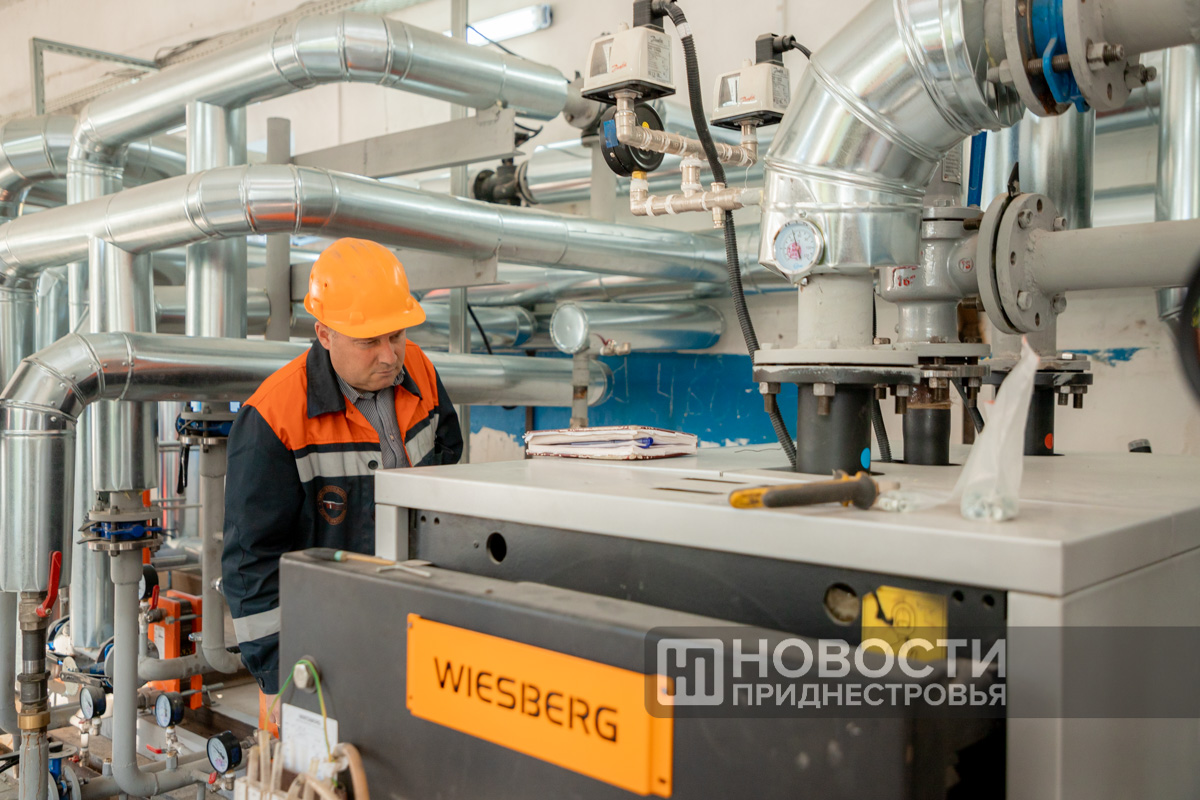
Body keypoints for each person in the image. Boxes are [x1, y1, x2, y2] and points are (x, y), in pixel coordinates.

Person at [222, 237, 463, 716]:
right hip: (324, 644)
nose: (390, 356)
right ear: (325, 334)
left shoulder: (420, 370)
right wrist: (279, 675)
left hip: (416, 618)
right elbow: (252, 563)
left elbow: (449, 455)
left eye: (396, 335)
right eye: (369, 341)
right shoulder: (274, 417)